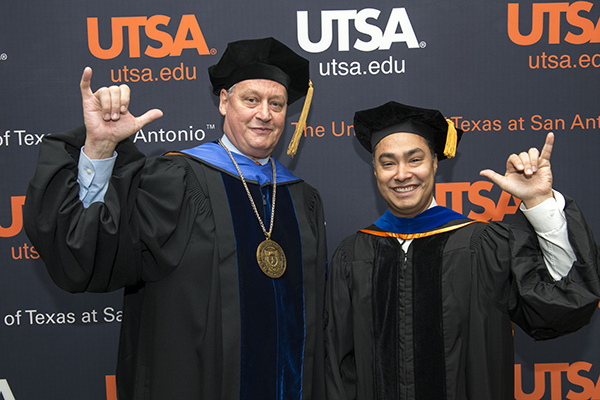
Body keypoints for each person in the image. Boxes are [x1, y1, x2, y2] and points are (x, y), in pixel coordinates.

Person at [24, 37, 327, 400]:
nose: (264, 114)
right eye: (251, 100)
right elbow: (93, 250)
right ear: (223, 102)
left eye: (276, 104)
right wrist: (102, 150)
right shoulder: (176, 179)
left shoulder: (302, 199)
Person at [324, 101, 600, 400]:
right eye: (388, 163)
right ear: (375, 171)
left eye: (414, 159)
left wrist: (539, 201)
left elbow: (561, 302)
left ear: (434, 163)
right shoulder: (352, 255)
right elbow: (339, 368)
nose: (401, 174)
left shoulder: (482, 246)